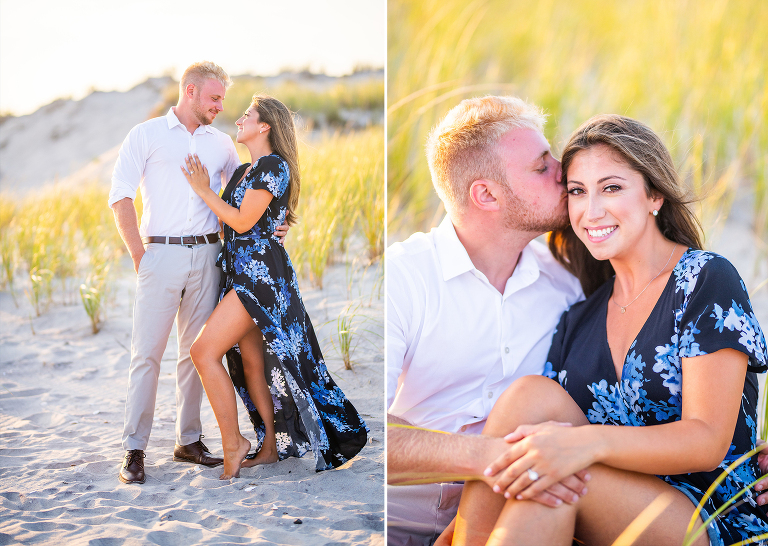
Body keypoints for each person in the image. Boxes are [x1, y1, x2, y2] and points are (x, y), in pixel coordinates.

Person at [446, 115, 768, 545]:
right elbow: (525, 450)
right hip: (605, 507)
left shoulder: (704, 280)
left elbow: (706, 440)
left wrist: (584, 445)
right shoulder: (578, 317)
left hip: (708, 514)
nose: (591, 210)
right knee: (532, 407)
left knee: (558, 476)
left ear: (654, 194)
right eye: (578, 192)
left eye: (611, 188)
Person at [386, 96, 588, 544]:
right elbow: (367, 435)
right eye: (541, 167)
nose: (564, 171)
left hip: (512, 520)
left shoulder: (566, 284)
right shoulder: (403, 278)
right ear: (486, 194)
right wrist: (495, 457)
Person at [109, 61, 287, 485]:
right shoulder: (146, 135)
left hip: (209, 257)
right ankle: (135, 449)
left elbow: (244, 196)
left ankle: (188, 441)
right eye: (214, 98)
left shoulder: (223, 144)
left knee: (196, 353)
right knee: (146, 354)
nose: (220, 106)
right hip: (160, 255)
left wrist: (276, 224)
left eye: (223, 99)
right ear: (189, 91)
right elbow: (120, 197)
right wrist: (140, 256)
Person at [181, 95, 369, 480]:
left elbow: (243, 222)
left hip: (260, 280)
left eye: (247, 114)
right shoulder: (244, 172)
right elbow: (238, 222)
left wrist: (203, 190)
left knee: (203, 352)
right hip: (241, 274)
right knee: (252, 363)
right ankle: (268, 448)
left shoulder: (272, 165)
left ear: (264, 125)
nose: (239, 119)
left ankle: (233, 443)